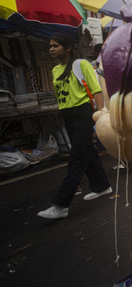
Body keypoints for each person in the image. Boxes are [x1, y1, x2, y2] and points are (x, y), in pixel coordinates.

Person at [38, 34, 111, 219]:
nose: (51, 49)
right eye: (50, 46)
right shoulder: (55, 70)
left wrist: (100, 115)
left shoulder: (81, 64)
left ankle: (61, 204)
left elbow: (96, 91)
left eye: (55, 45)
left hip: (83, 114)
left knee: (77, 157)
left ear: (68, 47)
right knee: (87, 151)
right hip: (68, 115)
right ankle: (102, 186)